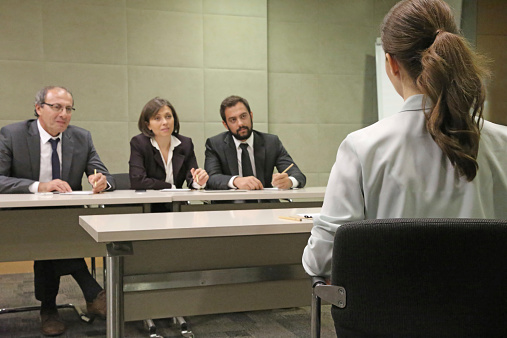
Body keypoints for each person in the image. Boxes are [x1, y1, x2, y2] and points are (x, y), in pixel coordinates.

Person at [302, 0, 507, 277]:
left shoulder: (362, 147)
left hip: (389, 318)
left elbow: (323, 259)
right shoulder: (503, 143)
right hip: (488, 318)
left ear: (391, 64)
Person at [0, 86, 116, 336]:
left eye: (68, 108)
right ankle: (93, 293)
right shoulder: (13, 135)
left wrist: (101, 181)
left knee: (54, 233)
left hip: (67, 215)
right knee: (49, 233)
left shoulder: (81, 137)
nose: (64, 113)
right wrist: (39, 186)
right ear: (38, 108)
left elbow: (98, 170)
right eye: (56, 107)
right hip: (23, 215)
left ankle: (50, 309)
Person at [205, 95, 305, 190]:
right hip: (231, 205)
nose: (240, 123)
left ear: (251, 116)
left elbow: (298, 175)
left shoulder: (271, 142)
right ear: (225, 125)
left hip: (265, 205)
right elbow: (211, 178)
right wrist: (236, 181)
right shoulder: (215, 144)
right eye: (233, 120)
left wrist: (289, 182)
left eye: (243, 116)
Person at [129, 97, 208, 194]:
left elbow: (191, 177)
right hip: (149, 205)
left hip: (177, 205)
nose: (165, 122)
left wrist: (198, 182)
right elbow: (137, 181)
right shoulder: (139, 143)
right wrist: (170, 187)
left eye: (168, 116)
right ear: (148, 125)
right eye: (157, 118)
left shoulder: (185, 144)